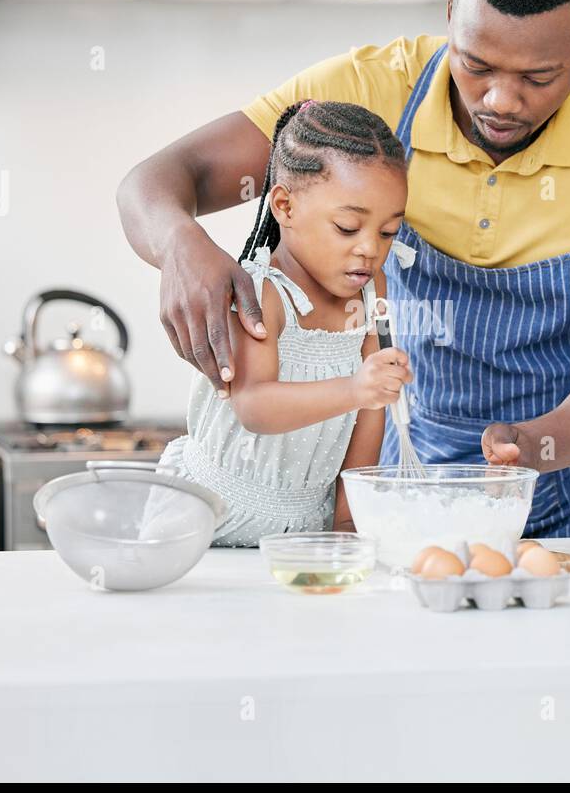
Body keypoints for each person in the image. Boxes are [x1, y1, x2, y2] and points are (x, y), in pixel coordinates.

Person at [119, 0, 570, 538]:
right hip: (412, 488)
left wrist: (536, 445)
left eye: (538, 76)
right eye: (475, 64)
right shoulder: (370, 89)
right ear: (450, 13)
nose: (501, 100)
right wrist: (179, 240)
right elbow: (160, 179)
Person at [145, 100, 413, 546]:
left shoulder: (371, 291)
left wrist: (346, 524)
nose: (371, 248)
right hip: (207, 517)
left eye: (388, 233)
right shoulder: (261, 292)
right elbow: (254, 406)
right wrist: (355, 388)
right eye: (348, 227)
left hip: (305, 524)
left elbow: (370, 419)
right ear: (285, 207)